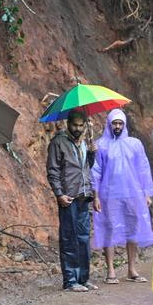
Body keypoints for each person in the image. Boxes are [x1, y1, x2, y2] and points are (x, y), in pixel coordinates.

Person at [92, 108, 153, 283]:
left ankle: (131, 269)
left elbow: (143, 169)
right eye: (115, 123)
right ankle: (111, 270)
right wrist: (96, 195)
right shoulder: (101, 145)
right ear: (109, 124)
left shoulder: (135, 144)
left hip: (133, 193)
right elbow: (96, 171)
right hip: (109, 194)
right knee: (109, 229)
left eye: (120, 123)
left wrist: (146, 193)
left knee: (133, 229)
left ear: (125, 124)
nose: (118, 126)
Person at [46, 107, 97, 292]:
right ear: (68, 124)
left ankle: (84, 278)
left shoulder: (84, 143)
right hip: (68, 196)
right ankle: (70, 280)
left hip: (84, 196)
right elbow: (52, 171)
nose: (77, 128)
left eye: (81, 125)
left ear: (85, 126)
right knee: (69, 238)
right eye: (74, 125)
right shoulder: (58, 142)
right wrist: (59, 194)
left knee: (83, 238)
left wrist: (91, 153)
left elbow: (86, 168)